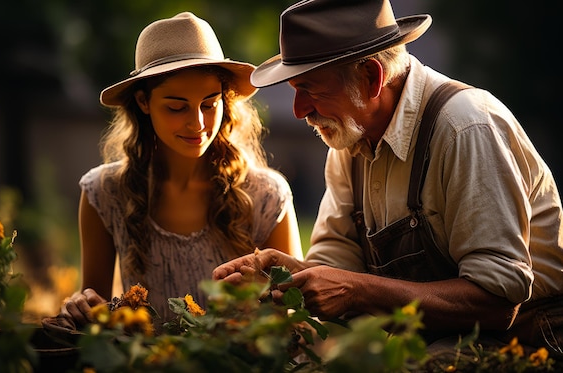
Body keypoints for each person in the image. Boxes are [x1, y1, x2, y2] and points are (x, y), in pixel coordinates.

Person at [213, 0, 563, 358]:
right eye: (294, 90)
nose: (298, 110)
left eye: (311, 89)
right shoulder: (348, 145)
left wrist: (356, 290)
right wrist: (285, 280)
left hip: (531, 341)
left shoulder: (465, 127)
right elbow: (337, 269)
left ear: (371, 77)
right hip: (432, 343)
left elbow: (499, 302)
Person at [60, 12, 303, 328]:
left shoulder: (266, 195)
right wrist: (81, 306)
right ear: (143, 102)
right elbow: (94, 310)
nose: (198, 124)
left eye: (209, 103)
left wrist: (264, 301)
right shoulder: (104, 193)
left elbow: (293, 318)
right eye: (177, 107)